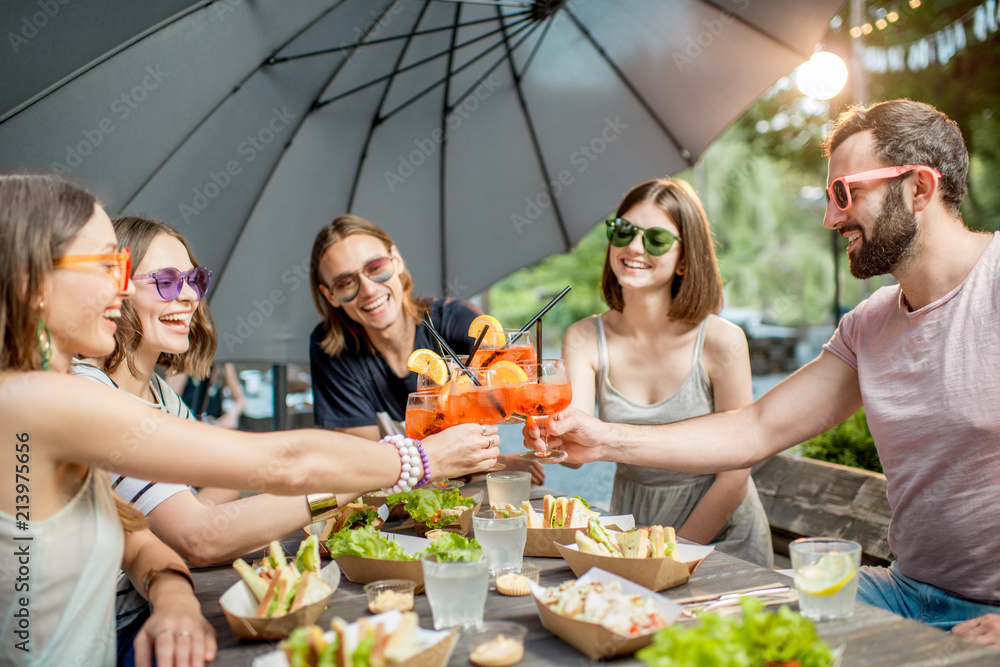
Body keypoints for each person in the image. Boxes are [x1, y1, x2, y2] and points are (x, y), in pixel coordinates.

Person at [524, 100, 1000, 629]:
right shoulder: (869, 325)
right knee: (709, 635)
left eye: (847, 193)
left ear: (918, 190)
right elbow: (756, 428)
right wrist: (602, 439)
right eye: (828, 196)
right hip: (905, 592)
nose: (829, 218)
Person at [0, 174, 499, 666]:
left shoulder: (89, 394)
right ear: (33, 282)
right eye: (107, 266)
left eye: (125, 267)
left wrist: (173, 590)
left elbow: (145, 533)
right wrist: (418, 458)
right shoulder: (44, 401)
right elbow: (276, 467)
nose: (121, 285)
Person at [561, 177, 772, 567]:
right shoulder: (584, 338)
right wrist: (543, 427)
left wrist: (672, 556)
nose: (634, 247)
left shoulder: (721, 341)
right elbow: (575, 454)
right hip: (634, 525)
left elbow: (734, 474)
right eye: (623, 231)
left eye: (656, 239)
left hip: (721, 535)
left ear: (686, 259)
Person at [308, 213, 543, 483]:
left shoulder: (455, 321)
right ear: (330, 295)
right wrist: (494, 464)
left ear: (395, 260)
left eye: (375, 267)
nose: (369, 290)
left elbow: (507, 389)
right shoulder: (332, 351)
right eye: (346, 283)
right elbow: (366, 469)